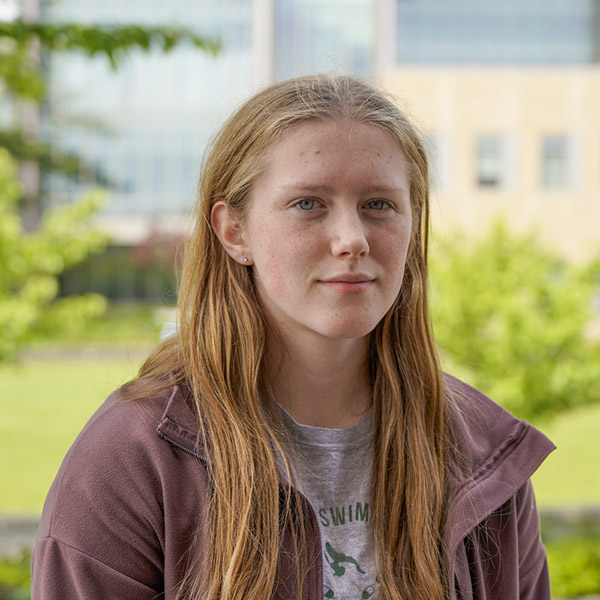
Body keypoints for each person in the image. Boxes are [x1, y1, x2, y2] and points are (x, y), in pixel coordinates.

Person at [31, 74, 555, 600]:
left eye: (379, 204)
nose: (351, 238)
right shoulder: (131, 458)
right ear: (234, 232)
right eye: (308, 203)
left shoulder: (484, 454)